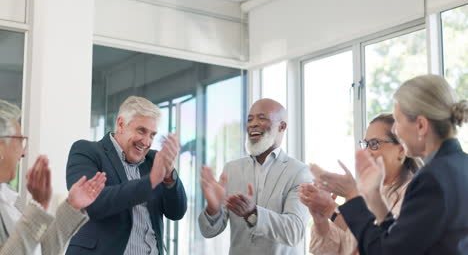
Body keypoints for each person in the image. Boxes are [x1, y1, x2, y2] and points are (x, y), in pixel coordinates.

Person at [316, 75, 468, 254]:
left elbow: (387, 251)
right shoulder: (461, 165)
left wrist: (352, 195)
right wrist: (374, 197)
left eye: (398, 120)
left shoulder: (431, 178)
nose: (395, 129)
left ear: (421, 125)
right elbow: (403, 240)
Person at [65, 96, 187, 255]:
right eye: (141, 131)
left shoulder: (153, 161)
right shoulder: (86, 151)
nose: (146, 141)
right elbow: (93, 204)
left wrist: (169, 175)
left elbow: (176, 212)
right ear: (121, 124)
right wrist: (150, 182)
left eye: (152, 135)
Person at [198, 98, 313, 255]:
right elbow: (208, 231)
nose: (253, 124)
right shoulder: (231, 169)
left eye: (262, 118)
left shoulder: (300, 172)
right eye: (250, 119)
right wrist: (213, 208)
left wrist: (253, 214)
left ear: (282, 126)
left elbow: (294, 231)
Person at [301, 113, 421, 255]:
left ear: (401, 150)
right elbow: (327, 251)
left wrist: (334, 206)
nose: (366, 152)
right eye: (365, 144)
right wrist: (321, 218)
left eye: (374, 144)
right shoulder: (365, 193)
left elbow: (385, 244)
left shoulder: (416, 192)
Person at [0, 99, 106, 255]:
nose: (23, 153)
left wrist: (72, 206)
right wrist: (38, 207)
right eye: (20, 141)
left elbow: (41, 250)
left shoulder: (7, 197)